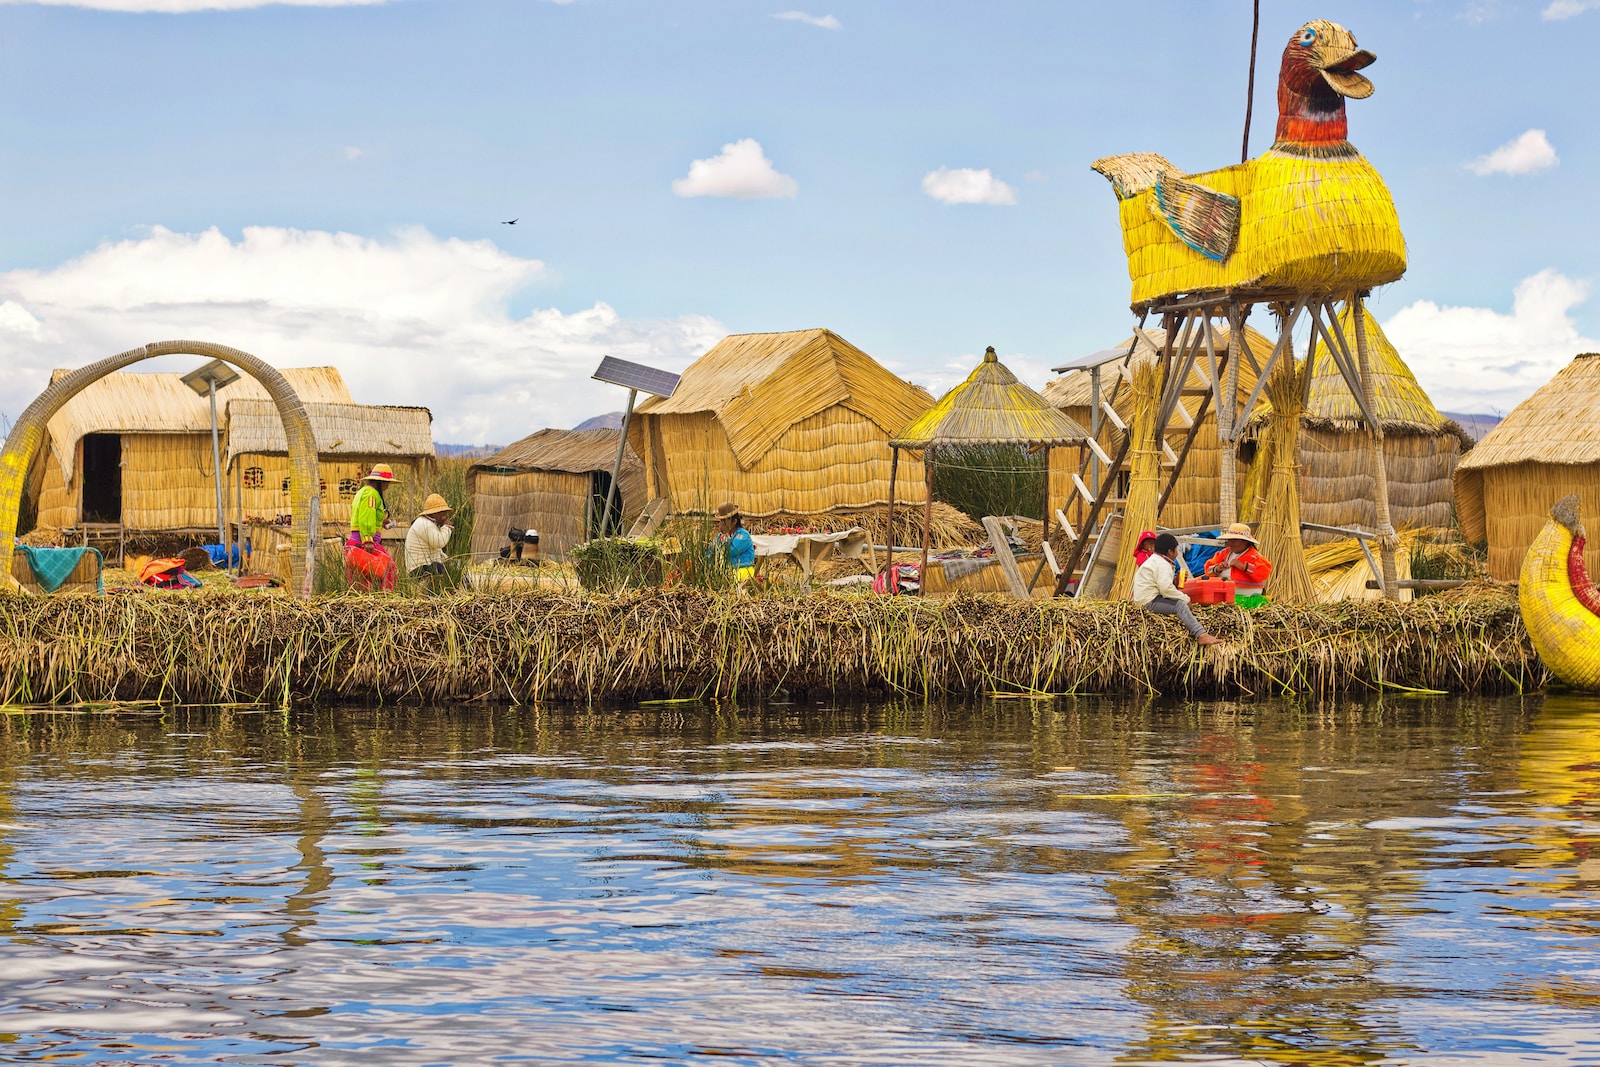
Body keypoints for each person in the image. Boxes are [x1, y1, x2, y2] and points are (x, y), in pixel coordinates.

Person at [1134, 533, 1222, 646]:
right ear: (1170, 551)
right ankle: (1201, 635)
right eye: (1176, 550)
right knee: (1180, 605)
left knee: (1179, 600)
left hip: (1149, 598)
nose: (1177, 552)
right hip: (1149, 602)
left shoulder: (1156, 560)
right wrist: (1186, 599)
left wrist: (1175, 581)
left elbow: (1162, 585)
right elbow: (1166, 589)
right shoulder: (1162, 564)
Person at [345, 464, 399, 591]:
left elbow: (364, 515)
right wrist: (368, 540)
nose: (387, 486)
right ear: (380, 482)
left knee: (363, 581)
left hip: (356, 543)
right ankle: (386, 597)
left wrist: (381, 522)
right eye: (387, 483)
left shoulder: (362, 492)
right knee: (389, 568)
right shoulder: (371, 494)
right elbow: (366, 518)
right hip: (363, 544)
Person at [1204, 522, 1273, 597]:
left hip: (1247, 596)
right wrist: (1218, 568)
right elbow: (1208, 569)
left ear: (1245, 541)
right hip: (1224, 594)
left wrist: (1243, 566)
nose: (1231, 543)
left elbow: (1264, 572)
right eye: (1229, 539)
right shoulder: (1223, 553)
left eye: (1235, 540)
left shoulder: (1254, 556)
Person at [406, 493, 454, 583]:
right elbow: (439, 542)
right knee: (439, 568)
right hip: (419, 571)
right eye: (443, 513)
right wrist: (446, 528)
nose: (445, 517)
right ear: (435, 513)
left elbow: (436, 550)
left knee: (450, 567)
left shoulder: (429, 523)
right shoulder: (424, 524)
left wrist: (447, 559)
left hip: (426, 567)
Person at [714, 501, 756, 582]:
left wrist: (725, 536)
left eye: (724, 521)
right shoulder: (720, 536)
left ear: (734, 521)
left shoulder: (743, 535)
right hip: (726, 571)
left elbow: (732, 551)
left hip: (743, 570)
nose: (722, 524)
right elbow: (712, 550)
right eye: (721, 521)